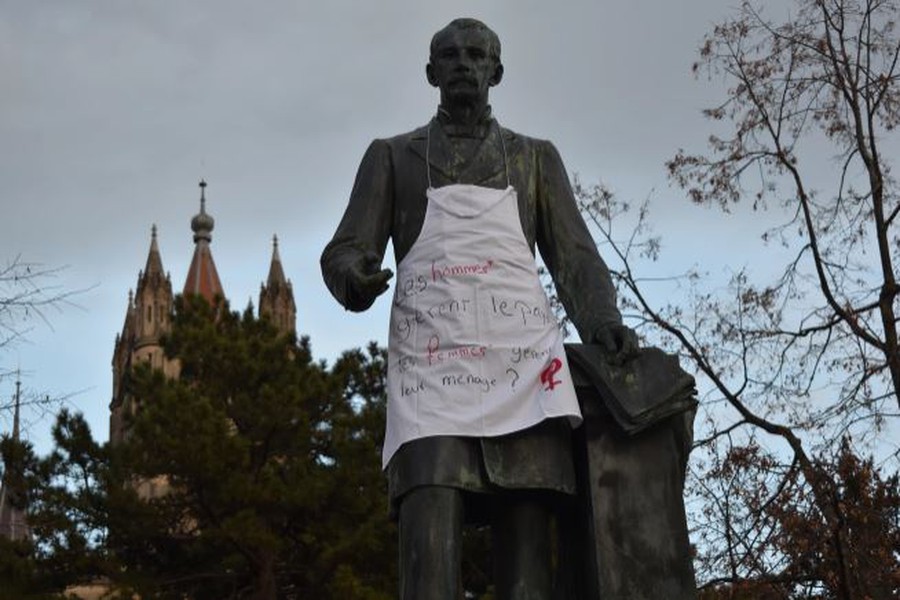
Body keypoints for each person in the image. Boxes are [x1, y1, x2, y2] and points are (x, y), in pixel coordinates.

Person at [321, 18, 636, 599]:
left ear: (496, 71)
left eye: (475, 54)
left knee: (529, 575)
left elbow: (576, 258)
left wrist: (603, 321)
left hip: (526, 384)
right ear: (430, 72)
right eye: (450, 55)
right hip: (431, 387)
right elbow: (345, 248)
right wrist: (354, 275)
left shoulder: (536, 159)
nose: (463, 63)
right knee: (428, 561)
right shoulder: (391, 158)